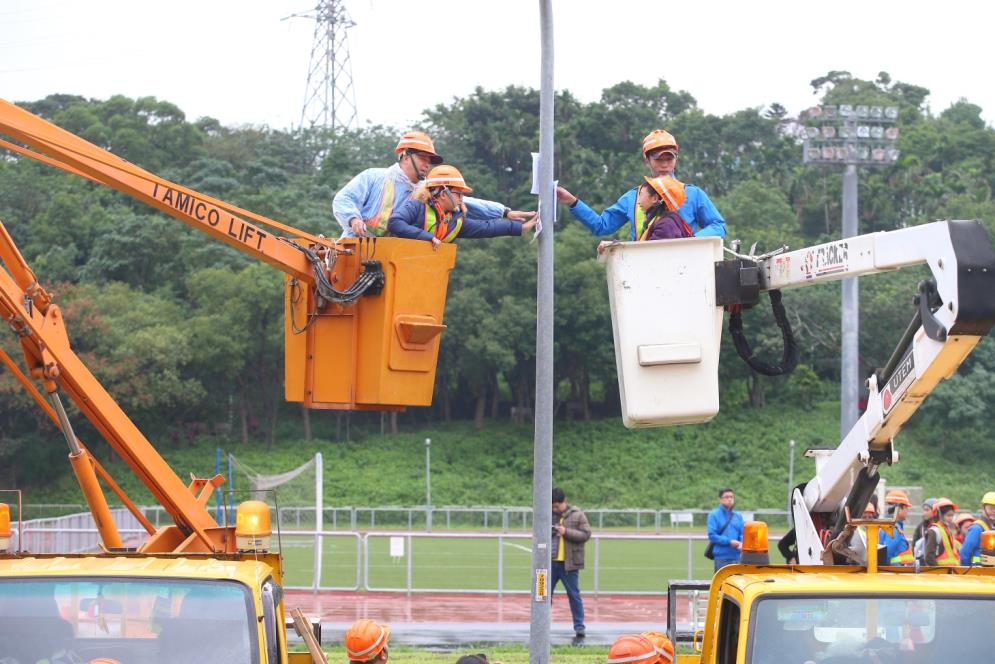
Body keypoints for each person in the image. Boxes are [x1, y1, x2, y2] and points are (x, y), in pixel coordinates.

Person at [332, 130, 534, 237]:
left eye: (430, 160)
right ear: (405, 156)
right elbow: (343, 199)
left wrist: (505, 212)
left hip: (391, 260)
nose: (426, 165)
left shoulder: (426, 190)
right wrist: (353, 220)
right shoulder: (374, 177)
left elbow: (464, 202)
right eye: (422, 158)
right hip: (355, 250)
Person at [556, 129, 726, 241]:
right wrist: (572, 202)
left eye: (669, 159)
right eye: (659, 159)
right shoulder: (634, 197)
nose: (665, 164)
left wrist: (691, 242)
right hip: (643, 272)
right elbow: (602, 226)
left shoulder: (693, 194)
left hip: (684, 268)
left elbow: (718, 226)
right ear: (647, 160)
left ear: (676, 159)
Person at [387, 165, 537, 247]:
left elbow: (487, 227)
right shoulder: (416, 207)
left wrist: (520, 228)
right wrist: (428, 238)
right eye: (458, 194)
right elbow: (395, 222)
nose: (461, 199)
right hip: (401, 269)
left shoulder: (455, 222)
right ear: (444, 193)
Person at [551, 486, 591, 638]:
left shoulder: (577, 515)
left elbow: (586, 534)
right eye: (552, 506)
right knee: (543, 595)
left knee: (574, 595)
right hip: (549, 564)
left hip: (569, 565)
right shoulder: (549, 515)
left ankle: (579, 626)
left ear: (564, 502)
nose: (555, 509)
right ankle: (541, 625)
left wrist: (565, 532)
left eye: (557, 506)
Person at [707, 488, 745, 572]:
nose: (730, 499)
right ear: (720, 499)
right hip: (721, 557)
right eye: (726, 497)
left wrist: (741, 543)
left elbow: (742, 533)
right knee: (722, 584)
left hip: (737, 557)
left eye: (731, 497)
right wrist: (729, 542)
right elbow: (712, 535)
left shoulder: (738, 516)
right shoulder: (713, 515)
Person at [878, 489, 914, 565]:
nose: (907, 511)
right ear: (899, 508)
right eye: (906, 507)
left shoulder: (887, 525)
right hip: (897, 572)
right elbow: (887, 552)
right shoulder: (894, 528)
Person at [960, 491, 995, 565]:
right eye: (991, 508)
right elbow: (964, 554)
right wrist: (967, 573)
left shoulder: (991, 528)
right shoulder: (977, 528)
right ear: (983, 508)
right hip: (977, 571)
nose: (994, 511)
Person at [923, 497, 960, 566]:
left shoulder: (948, 531)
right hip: (941, 574)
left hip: (951, 572)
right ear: (939, 515)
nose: (951, 518)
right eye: (948, 515)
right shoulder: (934, 531)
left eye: (952, 515)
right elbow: (929, 557)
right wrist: (938, 571)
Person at [913, 497, 937, 561]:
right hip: (922, 563)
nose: (924, 513)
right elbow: (914, 545)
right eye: (923, 510)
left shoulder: (940, 528)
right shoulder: (920, 527)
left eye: (927, 510)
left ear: (935, 511)